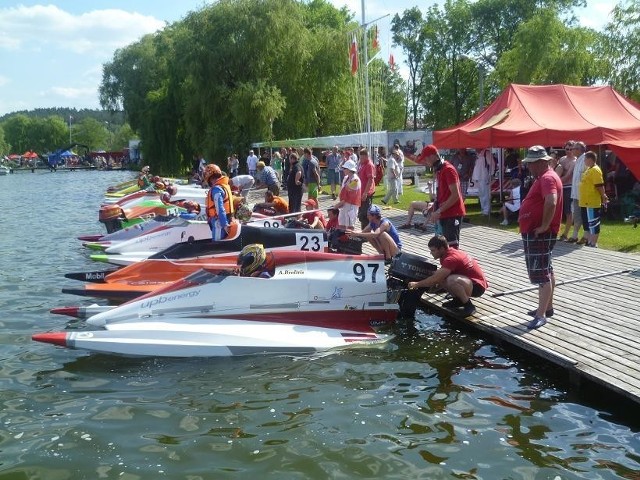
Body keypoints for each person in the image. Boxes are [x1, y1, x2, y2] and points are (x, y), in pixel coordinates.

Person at [517, 145, 563, 330]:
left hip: (540, 233)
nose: (528, 167)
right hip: (539, 232)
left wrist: (544, 225)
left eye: (531, 164)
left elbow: (551, 201)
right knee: (547, 269)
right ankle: (547, 308)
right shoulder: (546, 177)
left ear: (540, 163)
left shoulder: (547, 178)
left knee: (540, 273)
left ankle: (541, 315)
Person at [407, 235, 487, 317]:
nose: (430, 253)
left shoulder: (450, 259)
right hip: (468, 282)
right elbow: (439, 277)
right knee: (440, 275)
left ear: (441, 249)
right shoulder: (446, 254)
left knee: (450, 280)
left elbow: (435, 280)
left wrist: (416, 284)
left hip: (478, 286)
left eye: (433, 250)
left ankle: (468, 305)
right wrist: (433, 287)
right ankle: (458, 300)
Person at [416, 144, 466, 248]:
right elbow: (442, 194)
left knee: (451, 248)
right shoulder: (439, 170)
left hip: (453, 213)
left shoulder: (448, 170)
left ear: (432, 156)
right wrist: (434, 207)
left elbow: (455, 195)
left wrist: (438, 211)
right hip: (444, 213)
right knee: (442, 248)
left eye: (425, 159)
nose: (425, 162)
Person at [579, 151, 609, 247]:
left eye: (585, 159)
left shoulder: (595, 170)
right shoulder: (589, 169)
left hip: (591, 201)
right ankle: (589, 241)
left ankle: (593, 242)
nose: (584, 161)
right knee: (587, 223)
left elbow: (599, 185)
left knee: (593, 223)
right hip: (585, 201)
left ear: (590, 159)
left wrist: (603, 196)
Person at [204, 164, 235, 241]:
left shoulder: (216, 189)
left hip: (220, 223)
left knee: (216, 246)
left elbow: (220, 208)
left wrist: (224, 224)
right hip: (228, 219)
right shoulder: (224, 186)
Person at [567, 141, 588, 244]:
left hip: (583, 194)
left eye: (573, 149)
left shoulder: (585, 160)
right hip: (576, 193)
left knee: (585, 215)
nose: (571, 150)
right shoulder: (577, 160)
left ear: (579, 150)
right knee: (576, 215)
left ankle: (586, 236)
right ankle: (575, 235)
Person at [334, 159, 361, 230]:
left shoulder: (355, 180)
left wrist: (339, 204)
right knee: (341, 223)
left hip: (351, 205)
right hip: (344, 204)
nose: (343, 169)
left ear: (349, 169)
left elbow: (349, 194)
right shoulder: (346, 178)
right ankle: (342, 239)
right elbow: (342, 191)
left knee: (350, 225)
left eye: (344, 168)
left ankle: (350, 239)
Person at [472, 148, 496, 216]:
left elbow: (492, 164)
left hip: (485, 176)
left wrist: (491, 174)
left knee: (485, 194)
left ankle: (486, 210)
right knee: (481, 194)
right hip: (478, 177)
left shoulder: (486, 153)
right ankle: (483, 210)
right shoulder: (477, 154)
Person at [357, 148, 376, 229]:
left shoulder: (369, 165)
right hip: (361, 192)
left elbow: (370, 179)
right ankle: (364, 231)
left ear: (366, 157)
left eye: (361, 158)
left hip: (366, 193)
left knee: (365, 214)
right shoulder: (362, 164)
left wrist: (365, 193)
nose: (360, 159)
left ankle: (366, 232)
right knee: (362, 214)